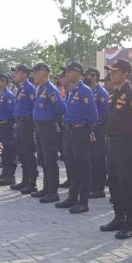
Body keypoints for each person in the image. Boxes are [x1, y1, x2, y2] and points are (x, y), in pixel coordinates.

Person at [100, 58, 132, 238]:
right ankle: (118, 217)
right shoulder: (114, 94)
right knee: (114, 181)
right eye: (110, 71)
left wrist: (128, 135)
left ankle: (130, 223)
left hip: (126, 145)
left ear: (125, 74)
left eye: (115, 72)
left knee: (127, 183)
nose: (111, 75)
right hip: (112, 144)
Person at [57, 62, 98, 214]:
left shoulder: (84, 91)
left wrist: (88, 131)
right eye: (66, 71)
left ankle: (83, 201)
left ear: (79, 73)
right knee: (71, 165)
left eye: (69, 71)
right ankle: (72, 197)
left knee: (82, 166)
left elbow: (93, 115)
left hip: (80, 131)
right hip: (69, 131)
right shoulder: (71, 90)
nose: (66, 74)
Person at [31, 63, 67, 203]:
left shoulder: (51, 89)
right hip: (39, 128)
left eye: (36, 73)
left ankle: (53, 192)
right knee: (43, 159)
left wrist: (53, 122)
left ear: (44, 73)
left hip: (48, 128)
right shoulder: (40, 89)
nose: (34, 76)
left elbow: (61, 108)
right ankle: (46, 188)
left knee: (50, 160)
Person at [10, 64, 38, 194]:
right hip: (19, 123)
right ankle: (25, 179)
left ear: (25, 74)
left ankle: (32, 182)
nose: (15, 74)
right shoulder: (21, 88)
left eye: (18, 72)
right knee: (21, 153)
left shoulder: (29, 88)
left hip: (26, 123)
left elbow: (34, 107)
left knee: (28, 153)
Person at [0, 73, 17, 186]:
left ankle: (10, 176)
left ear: (4, 82)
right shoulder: (2, 94)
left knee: (9, 151)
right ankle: (4, 173)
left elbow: (13, 112)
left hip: (7, 126)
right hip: (0, 125)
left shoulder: (8, 95)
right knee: (3, 151)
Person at [86, 67, 109, 198]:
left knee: (98, 158)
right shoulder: (89, 91)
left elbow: (106, 111)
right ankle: (93, 185)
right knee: (91, 158)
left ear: (94, 76)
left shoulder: (101, 93)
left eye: (89, 75)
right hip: (90, 127)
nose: (86, 77)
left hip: (99, 128)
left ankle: (99, 188)